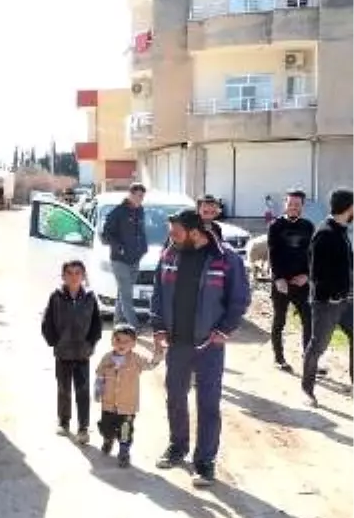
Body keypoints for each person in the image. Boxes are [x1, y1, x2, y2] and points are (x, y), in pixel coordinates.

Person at [150, 208, 250, 488]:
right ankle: (177, 446)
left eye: (176, 233)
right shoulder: (170, 253)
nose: (171, 237)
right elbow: (158, 292)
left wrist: (224, 330)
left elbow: (240, 298)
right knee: (175, 397)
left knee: (208, 403)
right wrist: (158, 327)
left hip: (209, 345)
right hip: (177, 343)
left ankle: (205, 461)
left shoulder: (225, 258)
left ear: (195, 232)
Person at [300, 187, 354, 404]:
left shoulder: (341, 231)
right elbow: (316, 272)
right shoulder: (325, 233)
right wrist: (331, 296)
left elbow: (346, 261)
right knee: (318, 345)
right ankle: (306, 389)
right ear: (349, 208)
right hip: (327, 303)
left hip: (347, 300)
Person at [41, 259, 103, 444]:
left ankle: (83, 427)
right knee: (63, 388)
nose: (74, 277)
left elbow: (96, 325)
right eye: (69, 273)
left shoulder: (90, 298)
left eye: (78, 273)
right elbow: (47, 323)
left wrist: (90, 344)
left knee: (83, 391)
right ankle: (64, 421)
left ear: (83, 276)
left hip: (83, 354)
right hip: (63, 353)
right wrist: (55, 342)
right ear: (63, 276)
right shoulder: (56, 297)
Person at [94, 324, 163, 468]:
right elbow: (100, 374)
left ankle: (124, 452)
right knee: (106, 427)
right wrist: (98, 389)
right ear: (112, 340)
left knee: (125, 430)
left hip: (128, 405)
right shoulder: (107, 358)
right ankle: (108, 439)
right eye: (118, 340)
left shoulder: (136, 359)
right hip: (108, 403)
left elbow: (150, 365)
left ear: (133, 343)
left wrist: (158, 354)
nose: (121, 344)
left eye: (126, 341)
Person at [267, 189, 316, 373]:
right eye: (290, 204)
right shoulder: (275, 226)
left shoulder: (308, 226)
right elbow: (272, 253)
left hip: (301, 282)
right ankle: (279, 358)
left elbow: (312, 255)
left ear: (302, 206)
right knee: (279, 320)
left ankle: (308, 358)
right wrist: (278, 278)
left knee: (309, 320)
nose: (293, 207)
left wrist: (307, 275)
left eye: (297, 204)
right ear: (285, 204)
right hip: (281, 282)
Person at [100, 182, 147, 326]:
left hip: (135, 259)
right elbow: (105, 235)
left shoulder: (140, 211)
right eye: (138, 196)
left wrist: (143, 248)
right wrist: (119, 247)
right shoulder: (118, 212)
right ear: (130, 194)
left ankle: (117, 321)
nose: (140, 199)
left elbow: (141, 231)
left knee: (123, 292)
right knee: (127, 295)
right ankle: (134, 326)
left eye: (142, 196)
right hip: (120, 260)